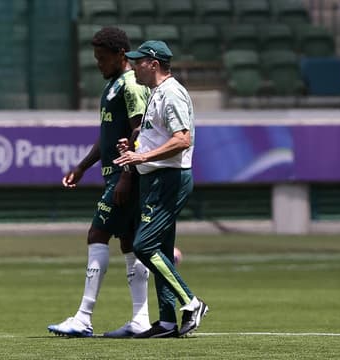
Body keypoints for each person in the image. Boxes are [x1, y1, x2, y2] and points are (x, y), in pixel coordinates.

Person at [47, 27, 151, 338]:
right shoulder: (113, 86)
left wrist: (127, 177)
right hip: (118, 175)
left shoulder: (131, 85)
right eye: (95, 58)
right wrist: (81, 167)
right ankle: (141, 319)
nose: (98, 64)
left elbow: (140, 134)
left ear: (121, 55)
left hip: (124, 177)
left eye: (102, 58)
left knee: (97, 234)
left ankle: (83, 316)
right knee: (130, 244)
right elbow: (107, 137)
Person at [114, 40, 208, 338]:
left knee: (144, 246)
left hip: (169, 179)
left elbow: (182, 139)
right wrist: (136, 145)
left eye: (138, 61)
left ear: (153, 64)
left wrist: (141, 156)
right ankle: (167, 321)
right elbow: (159, 135)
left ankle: (192, 303)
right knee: (162, 248)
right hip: (155, 178)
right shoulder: (157, 93)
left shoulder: (172, 93)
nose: (132, 66)